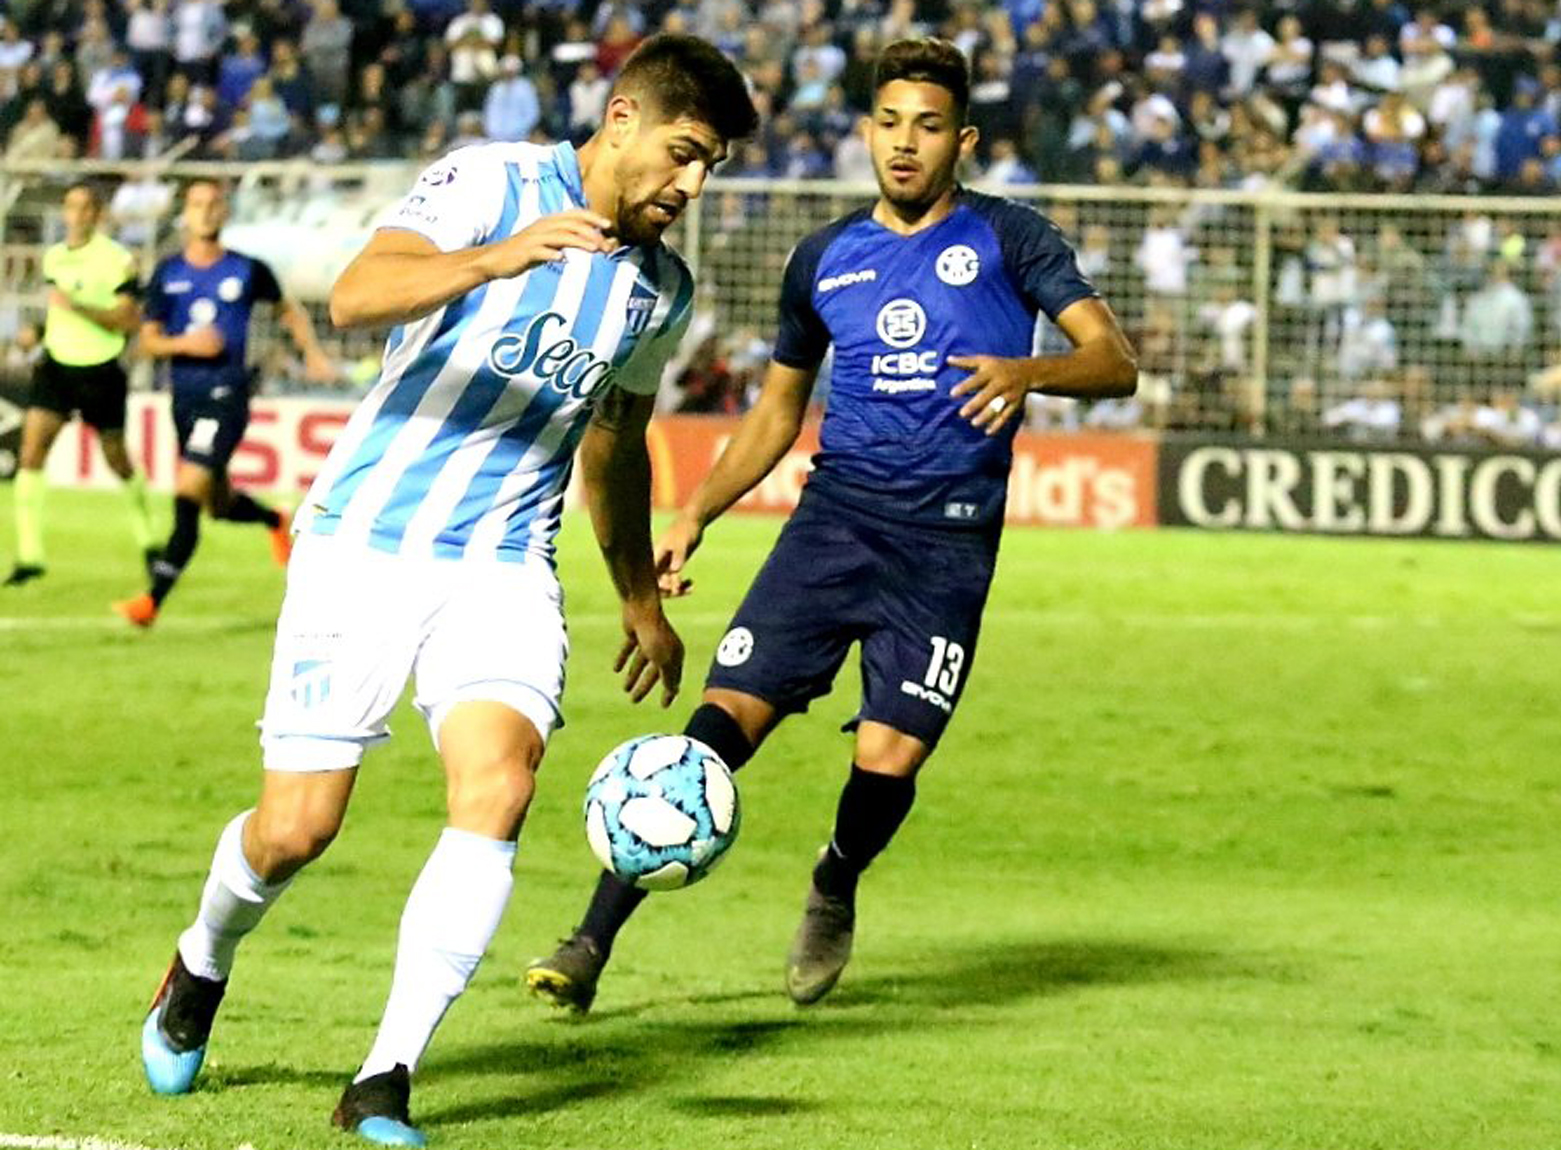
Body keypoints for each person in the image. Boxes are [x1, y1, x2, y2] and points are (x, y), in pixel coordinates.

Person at [137, 34, 756, 1146]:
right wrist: (498, 257)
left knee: (499, 787)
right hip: (365, 540)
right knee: (297, 828)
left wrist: (639, 600)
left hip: (503, 564)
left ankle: (385, 1076)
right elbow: (356, 296)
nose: (692, 185)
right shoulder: (491, 181)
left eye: (709, 165)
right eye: (684, 153)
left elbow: (613, 443)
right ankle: (201, 958)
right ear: (621, 119)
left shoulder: (659, 290)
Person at [524, 37, 1136, 1013]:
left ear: (963, 141)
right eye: (889, 123)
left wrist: (1031, 372)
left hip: (945, 547)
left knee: (890, 758)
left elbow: (1114, 360)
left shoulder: (1012, 239)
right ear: (865, 131)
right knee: (715, 731)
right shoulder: (825, 258)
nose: (905, 143)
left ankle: (836, 878)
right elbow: (776, 414)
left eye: (928, 126)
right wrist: (696, 512)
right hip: (834, 524)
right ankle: (591, 938)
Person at [114, 179, 336, 626]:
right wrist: (187, 344)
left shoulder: (248, 269)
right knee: (217, 504)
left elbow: (288, 310)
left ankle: (151, 602)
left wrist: (312, 353)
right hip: (184, 400)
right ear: (186, 213)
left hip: (226, 397)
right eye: (197, 203)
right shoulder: (167, 273)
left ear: (225, 212)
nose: (206, 211)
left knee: (187, 494)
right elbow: (149, 341)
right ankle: (273, 519)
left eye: (214, 203)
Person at [6, 182, 156, 587]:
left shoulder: (117, 259)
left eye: (86, 207)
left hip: (100, 370)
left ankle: (148, 539)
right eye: (71, 206)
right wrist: (38, 332)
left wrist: (77, 307)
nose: (78, 215)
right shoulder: (54, 257)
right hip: (56, 367)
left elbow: (127, 320)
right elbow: (59, 313)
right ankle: (31, 556)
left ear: (98, 214)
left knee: (117, 460)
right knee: (31, 453)